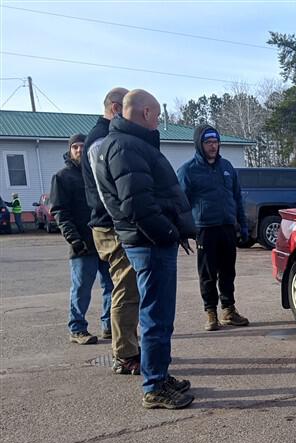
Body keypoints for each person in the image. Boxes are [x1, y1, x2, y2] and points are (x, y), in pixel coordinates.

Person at [95, 89, 195, 409]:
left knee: (160, 315)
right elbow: (137, 204)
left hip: (150, 243)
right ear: (146, 113)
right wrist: (168, 233)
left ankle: (159, 375)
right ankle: (153, 386)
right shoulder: (125, 147)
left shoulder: (127, 144)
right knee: (156, 316)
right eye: (158, 116)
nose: (159, 122)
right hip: (150, 245)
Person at [83, 86, 142, 374]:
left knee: (128, 288)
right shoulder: (101, 141)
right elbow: (108, 193)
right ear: (117, 109)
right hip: (111, 227)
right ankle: (125, 354)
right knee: (126, 287)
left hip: (114, 224)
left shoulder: (106, 137)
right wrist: (126, 220)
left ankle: (129, 344)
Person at [177, 125, 250, 331]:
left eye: (215, 142)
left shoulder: (227, 167)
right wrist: (183, 231)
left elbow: (236, 198)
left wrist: (242, 225)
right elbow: (180, 205)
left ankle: (229, 310)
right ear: (199, 144)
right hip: (205, 229)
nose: (213, 146)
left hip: (227, 226)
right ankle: (210, 312)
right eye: (208, 142)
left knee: (228, 271)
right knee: (208, 273)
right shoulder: (187, 171)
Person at [50, 134, 114, 345]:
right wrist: (73, 239)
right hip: (82, 243)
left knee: (111, 286)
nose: (78, 150)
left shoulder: (96, 173)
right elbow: (60, 212)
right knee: (81, 288)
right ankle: (77, 328)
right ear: (69, 150)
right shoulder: (62, 177)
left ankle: (109, 325)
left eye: (82, 146)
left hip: (104, 240)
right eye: (75, 147)